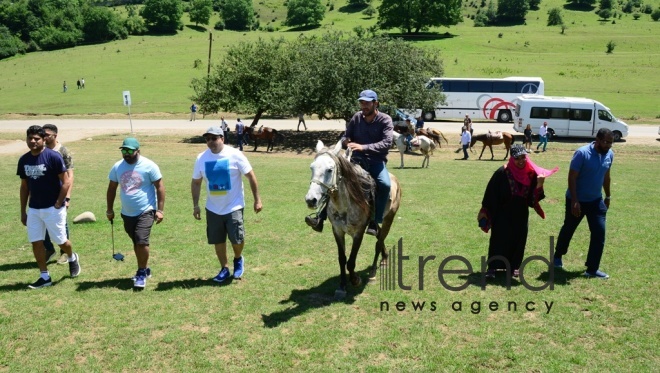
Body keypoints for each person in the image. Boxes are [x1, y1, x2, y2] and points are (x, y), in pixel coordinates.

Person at [305, 89, 393, 236]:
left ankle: (374, 222)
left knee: (384, 184)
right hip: (355, 160)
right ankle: (321, 217)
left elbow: (387, 143)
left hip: (375, 161)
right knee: (334, 180)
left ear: (375, 103)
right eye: (361, 102)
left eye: (367, 103)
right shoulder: (357, 117)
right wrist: (345, 140)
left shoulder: (385, 120)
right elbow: (347, 135)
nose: (363, 106)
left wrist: (363, 146)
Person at [191, 126, 262, 283]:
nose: (210, 142)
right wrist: (195, 205)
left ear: (222, 138)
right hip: (213, 207)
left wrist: (257, 199)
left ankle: (238, 258)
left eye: (214, 138)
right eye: (207, 139)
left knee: (237, 239)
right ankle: (224, 268)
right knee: (218, 240)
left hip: (233, 206)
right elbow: (196, 183)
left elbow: (251, 176)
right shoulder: (201, 158)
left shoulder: (235, 155)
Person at [478, 144, 558, 278]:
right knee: (499, 239)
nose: (521, 161)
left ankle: (514, 267)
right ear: (511, 158)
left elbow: (533, 200)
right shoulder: (502, 172)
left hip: (521, 214)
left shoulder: (531, 174)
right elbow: (490, 194)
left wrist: (540, 184)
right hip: (502, 213)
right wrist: (486, 213)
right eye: (517, 158)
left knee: (518, 240)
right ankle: (493, 268)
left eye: (523, 157)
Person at [17, 125, 80, 289]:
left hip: (53, 208)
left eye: (36, 138)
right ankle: (44, 276)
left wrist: (59, 202)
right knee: (36, 242)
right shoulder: (24, 160)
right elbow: (24, 187)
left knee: (61, 241)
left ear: (44, 139)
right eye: (30, 138)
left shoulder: (53, 157)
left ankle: (72, 257)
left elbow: (66, 181)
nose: (33, 141)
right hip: (34, 209)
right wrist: (23, 211)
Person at [553, 128, 615, 279]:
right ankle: (557, 256)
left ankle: (592, 269)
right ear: (598, 139)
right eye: (605, 142)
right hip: (577, 200)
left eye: (611, 143)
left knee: (599, 233)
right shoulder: (582, 153)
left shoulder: (610, 155)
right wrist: (575, 200)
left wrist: (608, 196)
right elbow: (572, 177)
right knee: (569, 228)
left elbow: (606, 177)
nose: (608, 145)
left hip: (596, 201)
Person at [106, 137, 165, 290]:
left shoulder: (149, 165)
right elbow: (112, 188)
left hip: (146, 209)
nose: (126, 153)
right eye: (123, 150)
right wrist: (109, 209)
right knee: (136, 242)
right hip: (127, 212)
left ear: (138, 150)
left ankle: (140, 273)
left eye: (129, 151)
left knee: (141, 240)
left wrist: (159, 210)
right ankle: (145, 268)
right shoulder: (117, 167)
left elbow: (160, 187)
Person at [42, 124, 74, 265]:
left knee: (61, 224)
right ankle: (49, 249)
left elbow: (70, 176)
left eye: (47, 134)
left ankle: (65, 253)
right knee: (42, 222)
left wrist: (67, 197)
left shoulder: (62, 151)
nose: (44, 137)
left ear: (55, 135)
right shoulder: (40, 150)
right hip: (43, 193)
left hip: (59, 194)